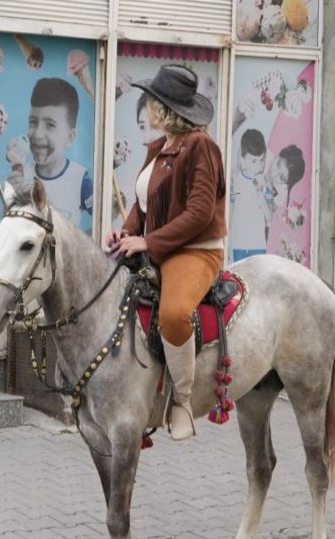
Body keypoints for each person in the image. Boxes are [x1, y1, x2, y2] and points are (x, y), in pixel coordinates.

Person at [106, 64, 227, 441]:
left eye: (152, 101)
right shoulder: (159, 148)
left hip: (195, 251)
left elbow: (200, 212)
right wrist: (125, 232)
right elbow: (143, 205)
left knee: (174, 313)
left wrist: (149, 242)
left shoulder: (201, 146)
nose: (147, 107)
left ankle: (183, 402)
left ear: (165, 108)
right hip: (159, 247)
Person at [4, 78, 92, 230]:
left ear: (70, 137)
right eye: (33, 122)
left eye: (50, 125)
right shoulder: (21, 176)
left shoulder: (80, 179)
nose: (37, 134)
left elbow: (103, 221)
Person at [229, 128, 269, 262]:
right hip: (238, 244)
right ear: (242, 160)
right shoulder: (235, 181)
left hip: (258, 245)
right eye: (253, 161)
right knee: (238, 280)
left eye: (261, 160)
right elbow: (229, 212)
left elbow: (269, 217)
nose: (259, 166)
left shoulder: (263, 183)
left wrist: (260, 195)